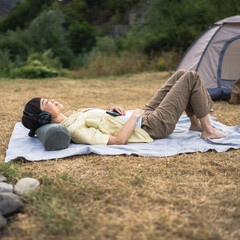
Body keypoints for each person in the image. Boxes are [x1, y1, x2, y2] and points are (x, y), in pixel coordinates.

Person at [22, 70, 228, 145]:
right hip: (151, 125)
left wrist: (111, 111)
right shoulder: (75, 130)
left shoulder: (74, 116)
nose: (50, 99)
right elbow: (117, 140)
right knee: (191, 78)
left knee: (182, 73)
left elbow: (104, 122)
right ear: (43, 116)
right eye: (45, 102)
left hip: (139, 115)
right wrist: (132, 117)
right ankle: (207, 131)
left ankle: (195, 125)